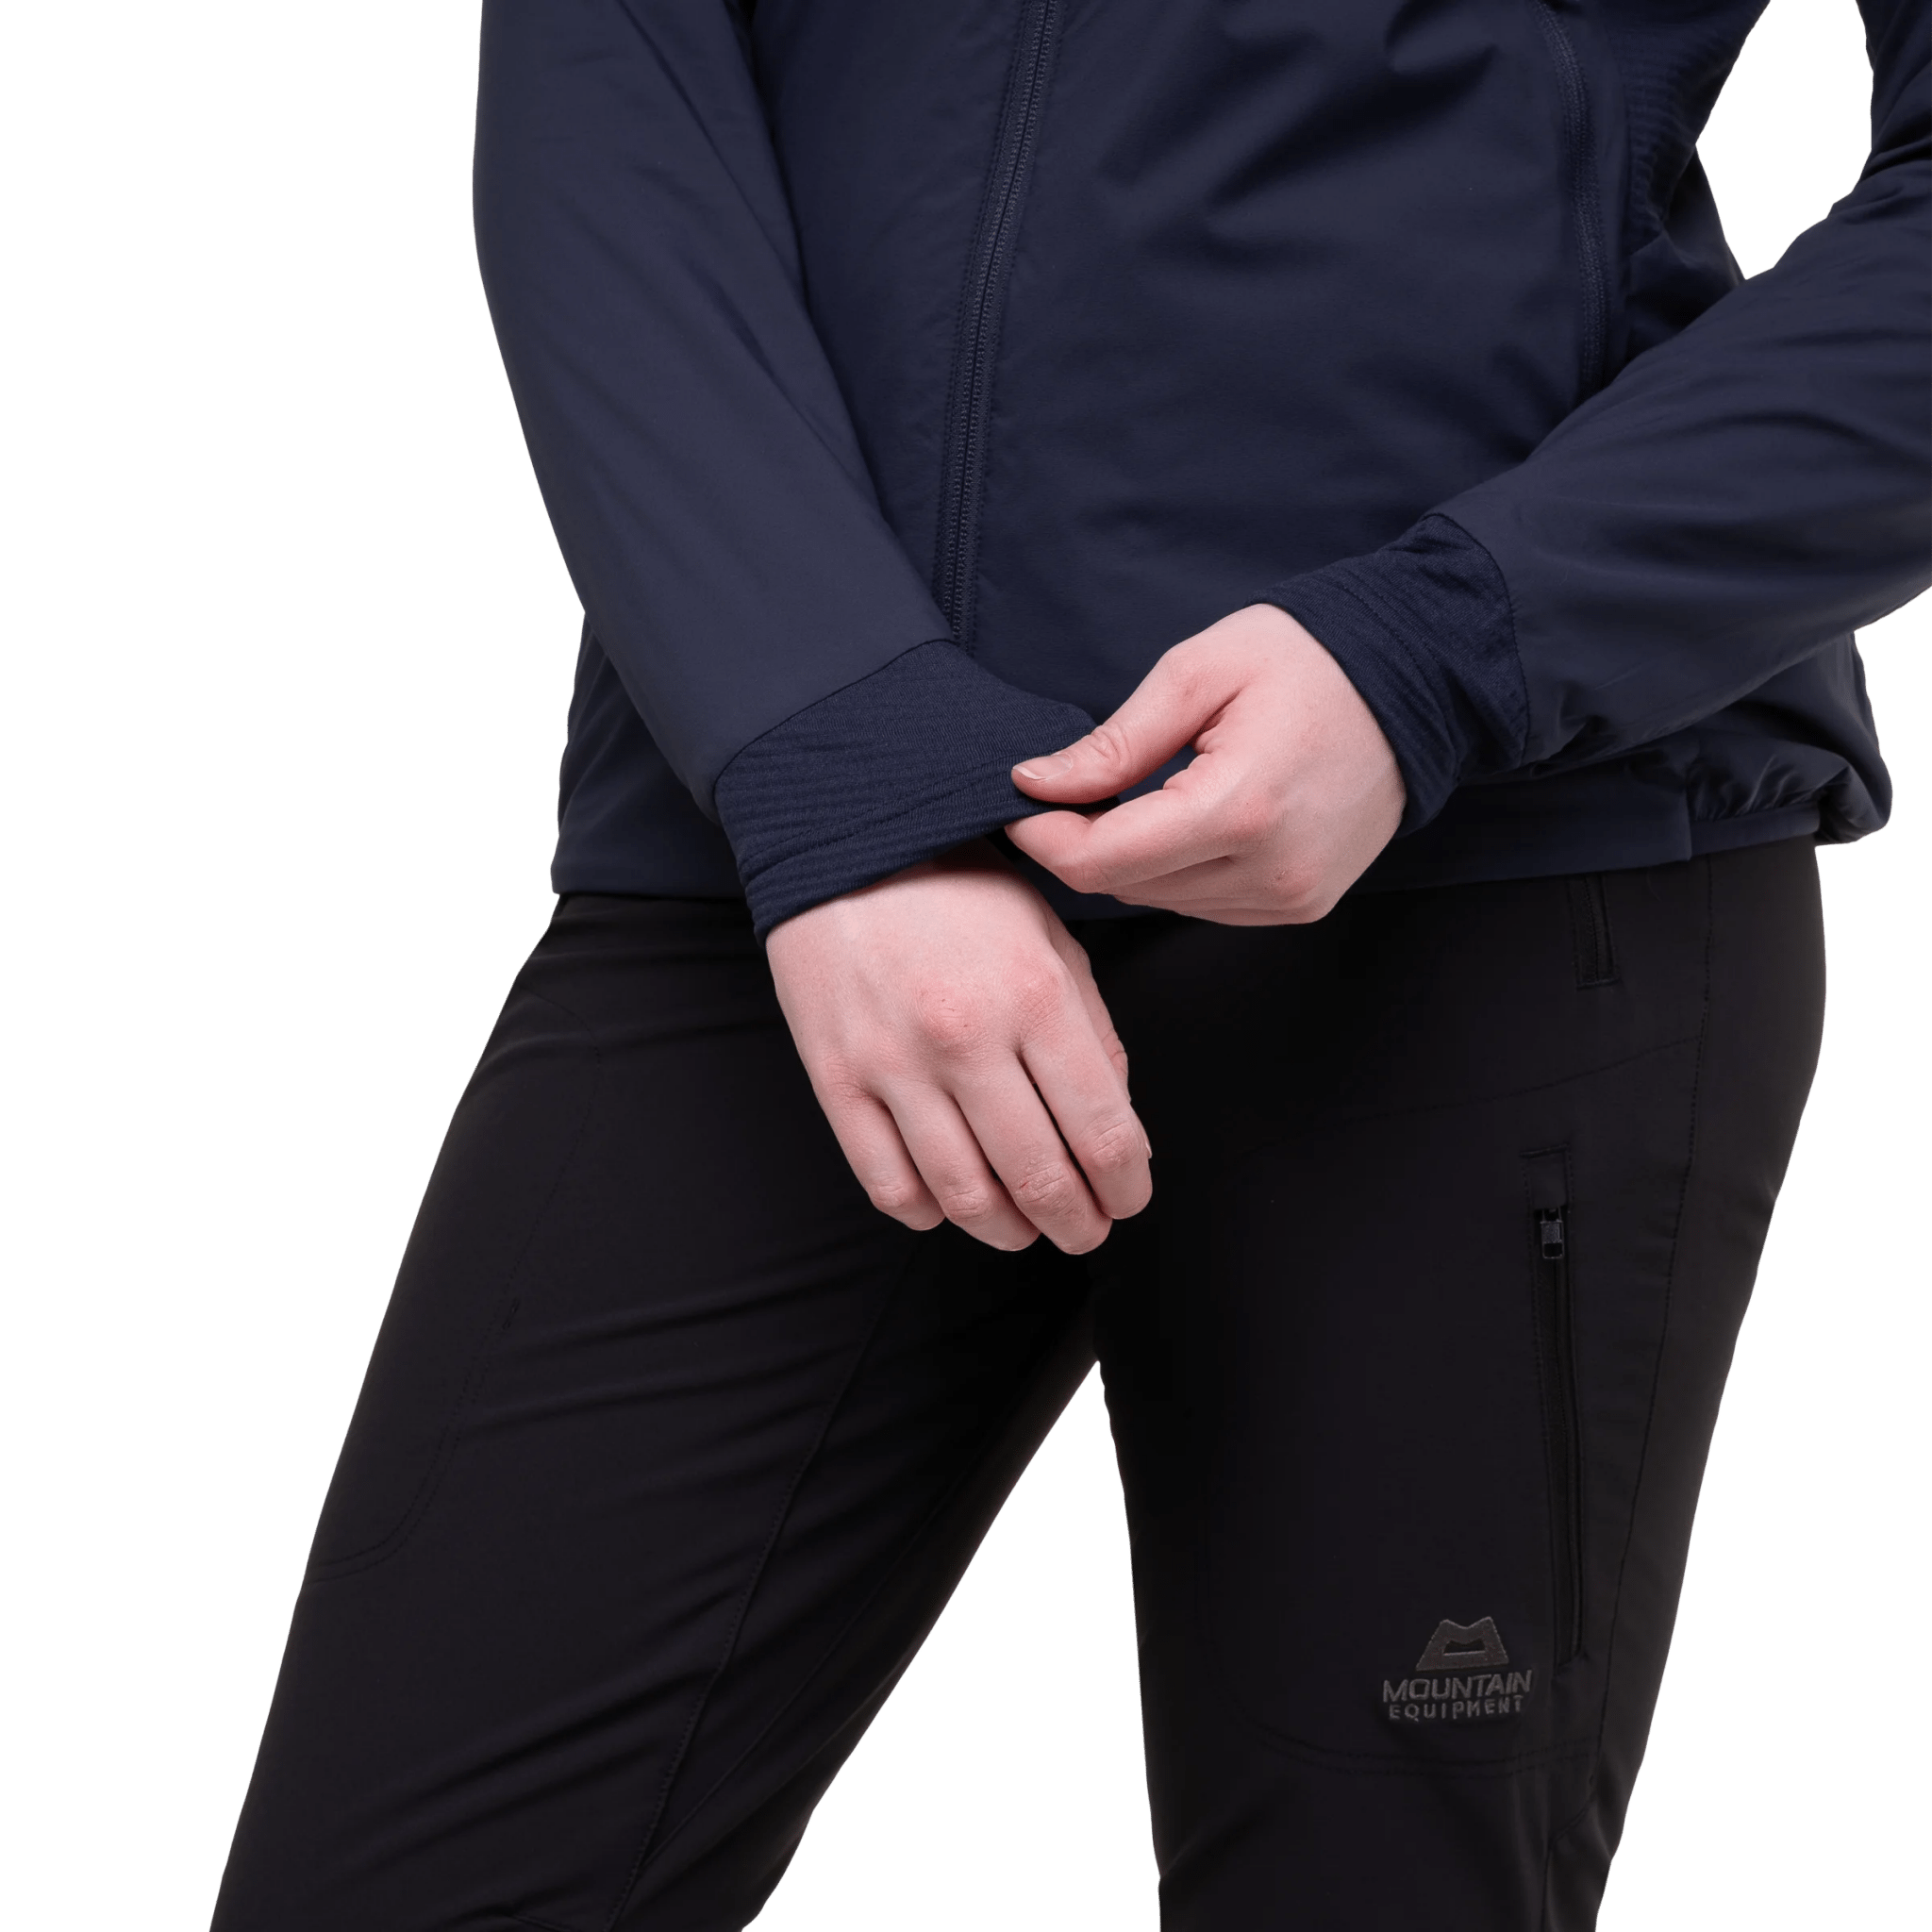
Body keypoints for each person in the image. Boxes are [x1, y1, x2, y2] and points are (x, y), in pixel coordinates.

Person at [211, 2, 1928, 1926]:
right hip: (794, 879)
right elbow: (612, 63)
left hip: (1494, 862)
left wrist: (1444, 649)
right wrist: (838, 757)